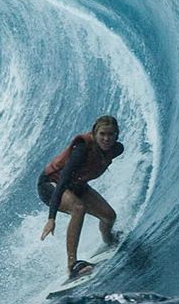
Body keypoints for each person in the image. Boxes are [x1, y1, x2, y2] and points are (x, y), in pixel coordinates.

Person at [39, 115, 124, 279]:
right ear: (95, 133)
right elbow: (62, 180)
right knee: (78, 208)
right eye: (102, 134)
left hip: (77, 185)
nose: (106, 139)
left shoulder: (116, 149)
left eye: (111, 135)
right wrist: (51, 218)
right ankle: (72, 265)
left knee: (109, 216)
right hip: (51, 184)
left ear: (116, 135)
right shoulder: (82, 149)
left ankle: (109, 240)